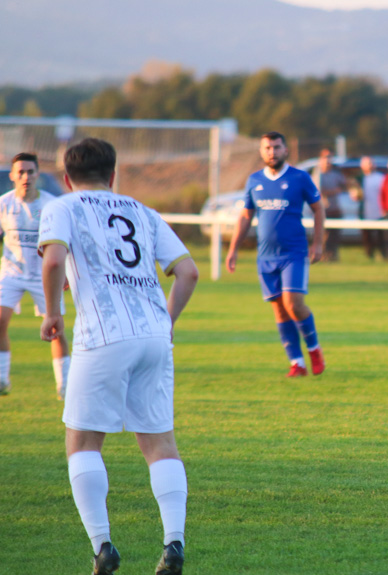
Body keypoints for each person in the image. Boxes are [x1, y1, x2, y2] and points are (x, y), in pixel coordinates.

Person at [38, 138, 199, 574]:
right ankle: (174, 543)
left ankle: (103, 546)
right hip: (153, 335)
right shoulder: (141, 211)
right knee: (160, 443)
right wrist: (167, 320)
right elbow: (188, 272)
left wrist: (53, 313)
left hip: (103, 334)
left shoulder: (62, 206)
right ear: (114, 175)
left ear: (67, 179)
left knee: (83, 441)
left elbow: (53, 261)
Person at [226, 131, 326, 377]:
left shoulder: (299, 178)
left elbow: (319, 209)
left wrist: (319, 244)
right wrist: (233, 249)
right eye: (267, 148)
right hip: (265, 256)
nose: (272, 152)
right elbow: (246, 216)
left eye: (277, 147)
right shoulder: (254, 181)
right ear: (261, 151)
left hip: (294, 253)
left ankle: (314, 349)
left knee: (294, 303)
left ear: (285, 150)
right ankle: (297, 363)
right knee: (279, 310)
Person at [0, 152, 70, 399]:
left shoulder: (52, 205)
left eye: (30, 171)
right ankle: (1, 379)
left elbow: (67, 242)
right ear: (12, 176)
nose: (25, 176)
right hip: (11, 272)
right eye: (20, 172)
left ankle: (65, 385)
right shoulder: (4, 204)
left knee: (56, 330)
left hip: (45, 276)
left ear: (38, 174)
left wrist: (68, 273)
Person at [316, 148, 347, 262]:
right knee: (325, 236)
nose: (328, 160)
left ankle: (333, 256)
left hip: (335, 209)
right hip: (324, 210)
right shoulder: (318, 174)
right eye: (325, 157)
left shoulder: (335, 174)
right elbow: (319, 191)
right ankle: (324, 257)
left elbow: (345, 185)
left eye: (330, 157)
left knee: (335, 235)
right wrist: (335, 191)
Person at [358, 156, 386, 260]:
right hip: (364, 212)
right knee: (367, 237)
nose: (369, 166)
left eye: (371, 163)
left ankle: (384, 255)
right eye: (367, 164)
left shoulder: (380, 177)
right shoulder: (360, 179)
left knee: (381, 236)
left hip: (378, 211)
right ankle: (369, 256)